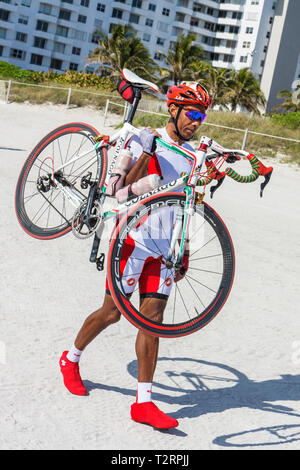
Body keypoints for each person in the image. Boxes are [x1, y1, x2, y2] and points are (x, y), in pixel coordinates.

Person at [59, 82, 211, 429]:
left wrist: (184, 248)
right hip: (132, 240)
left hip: (164, 248)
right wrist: (146, 150)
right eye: (193, 114)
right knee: (111, 313)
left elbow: (188, 206)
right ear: (173, 109)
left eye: (202, 116)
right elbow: (121, 187)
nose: (197, 122)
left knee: (152, 320)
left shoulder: (193, 156)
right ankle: (71, 358)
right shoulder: (144, 138)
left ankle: (143, 402)